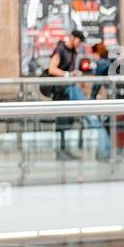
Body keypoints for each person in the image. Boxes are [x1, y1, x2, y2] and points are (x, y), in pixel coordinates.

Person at [44, 28, 86, 160]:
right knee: (61, 121)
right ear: (73, 37)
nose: (79, 44)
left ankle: (64, 150)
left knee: (68, 120)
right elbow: (52, 69)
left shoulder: (73, 52)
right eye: (79, 41)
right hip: (58, 91)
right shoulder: (60, 49)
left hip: (66, 90)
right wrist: (67, 74)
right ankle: (61, 151)